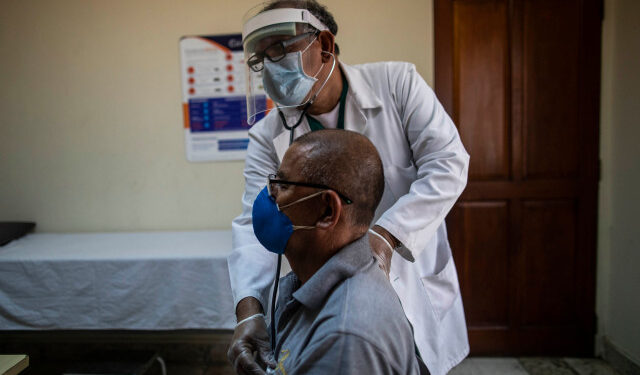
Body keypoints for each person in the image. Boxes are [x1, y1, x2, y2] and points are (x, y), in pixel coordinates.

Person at [228, 1, 470, 374]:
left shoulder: (396, 85)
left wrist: (387, 236)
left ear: (324, 45)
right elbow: (252, 222)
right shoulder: (267, 135)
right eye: (261, 59)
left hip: (410, 280)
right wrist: (249, 311)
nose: (271, 67)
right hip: (335, 296)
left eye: (279, 49)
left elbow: (449, 163)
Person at [249, 129, 422, 374]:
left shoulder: (343, 340)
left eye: (284, 185)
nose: (270, 194)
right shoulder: (310, 281)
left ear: (328, 211)